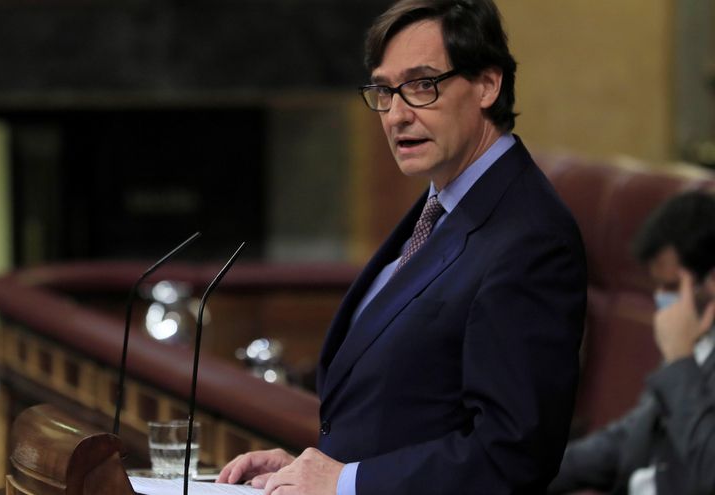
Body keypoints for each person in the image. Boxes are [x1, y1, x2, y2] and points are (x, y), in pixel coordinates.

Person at [216, 0, 587, 493]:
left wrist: (346, 482)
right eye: (384, 91)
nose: (396, 115)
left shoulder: (530, 237)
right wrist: (308, 471)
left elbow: (512, 455)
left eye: (421, 85)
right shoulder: (443, 202)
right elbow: (410, 407)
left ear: (487, 84)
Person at [549, 191, 715, 495]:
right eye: (658, 287)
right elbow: (630, 436)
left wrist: (680, 359)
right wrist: (529, 473)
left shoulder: (683, 350)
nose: (662, 300)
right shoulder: (697, 340)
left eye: (673, 287)